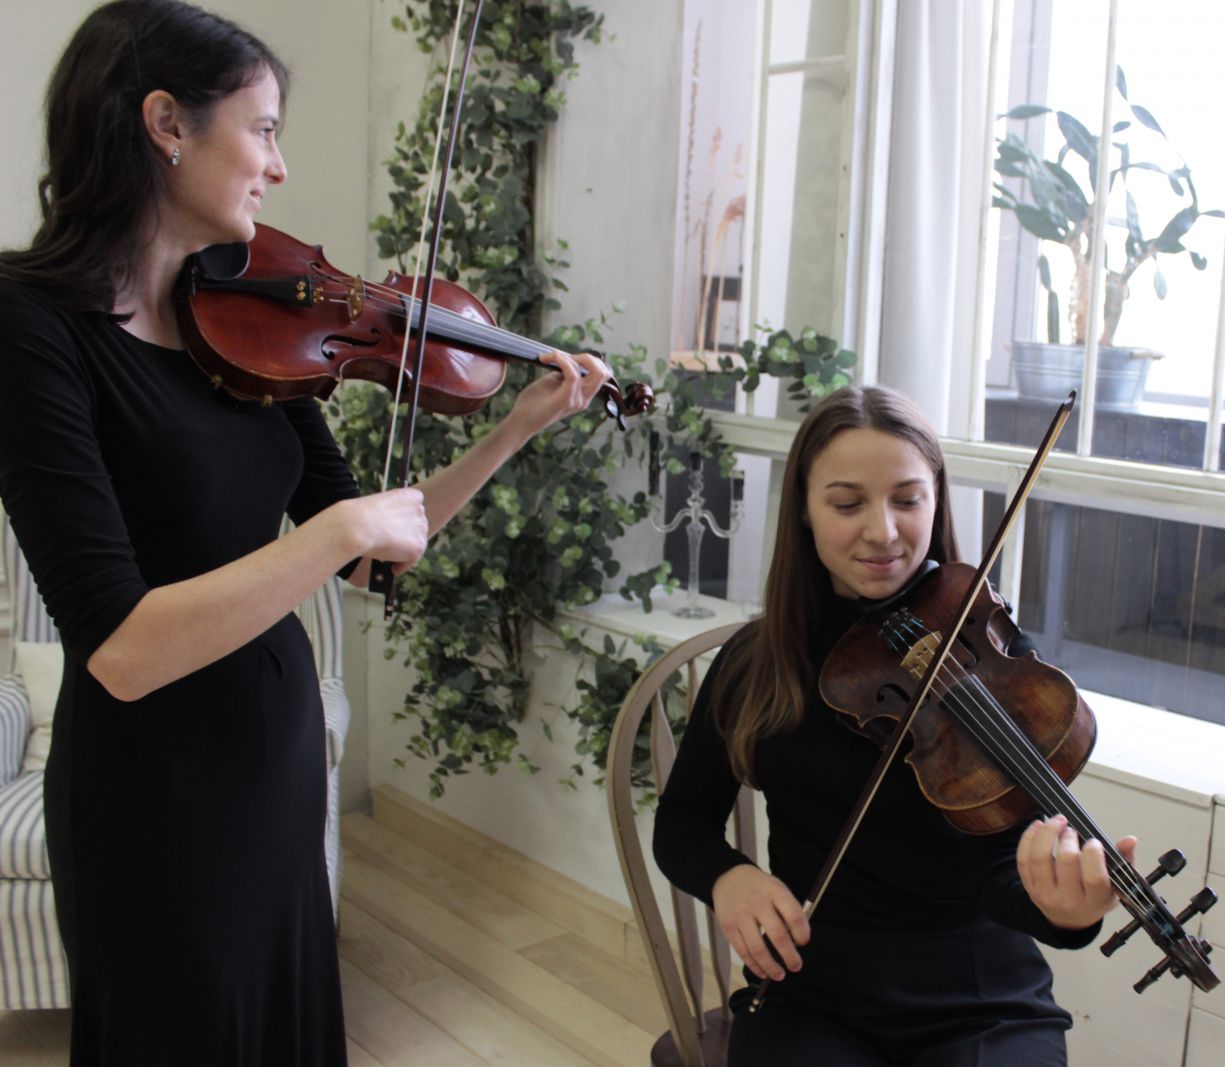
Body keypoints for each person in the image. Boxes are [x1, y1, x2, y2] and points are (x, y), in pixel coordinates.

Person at [0, 2, 612, 1063]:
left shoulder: (242, 317)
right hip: (151, 789)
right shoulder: (30, 325)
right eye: (264, 129)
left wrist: (514, 428)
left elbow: (375, 550)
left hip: (274, 765)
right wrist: (331, 535)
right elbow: (123, 651)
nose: (279, 166)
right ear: (166, 123)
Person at [652, 385, 1138, 1067]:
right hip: (812, 989)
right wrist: (730, 877)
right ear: (804, 510)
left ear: (936, 501)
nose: (882, 531)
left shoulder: (983, 647)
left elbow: (996, 870)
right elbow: (681, 821)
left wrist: (1062, 910)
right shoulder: (757, 664)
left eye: (907, 500)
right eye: (847, 503)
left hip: (979, 995)